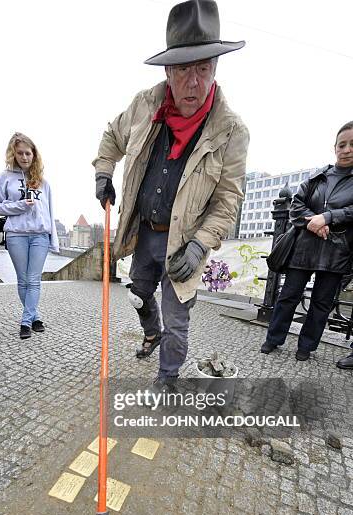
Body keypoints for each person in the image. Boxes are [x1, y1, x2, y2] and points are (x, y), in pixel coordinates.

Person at [93, 0, 249, 385]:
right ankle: (150, 331)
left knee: (178, 321)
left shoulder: (232, 131)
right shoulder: (146, 103)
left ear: (215, 68)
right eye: (183, 69)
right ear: (168, 69)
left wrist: (199, 246)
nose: (193, 82)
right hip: (145, 232)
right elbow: (112, 136)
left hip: (186, 242)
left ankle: (168, 376)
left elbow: (228, 201)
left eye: (203, 68)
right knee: (137, 296)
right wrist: (103, 172)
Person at [261, 121, 353, 362]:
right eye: (342, 144)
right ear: (335, 147)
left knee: (321, 303)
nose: (346, 149)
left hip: (337, 249)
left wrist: (328, 217)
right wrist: (314, 220)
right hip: (305, 246)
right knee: (289, 295)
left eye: (352, 144)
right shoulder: (318, 177)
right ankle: (273, 338)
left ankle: (306, 347)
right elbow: (296, 206)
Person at [0, 133, 59, 339]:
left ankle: (26, 321)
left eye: (28, 153)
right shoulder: (5, 177)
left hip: (39, 235)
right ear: (13, 154)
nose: (24, 157)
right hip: (16, 235)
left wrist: (52, 239)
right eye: (19, 153)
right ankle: (35, 316)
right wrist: (19, 206)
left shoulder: (43, 182)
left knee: (33, 279)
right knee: (22, 280)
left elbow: (50, 212)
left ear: (34, 154)